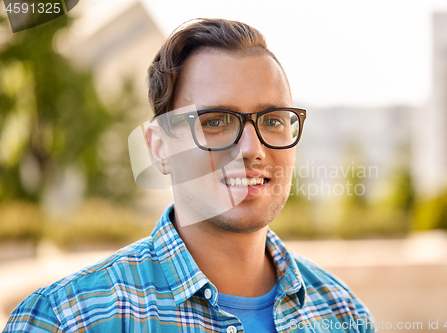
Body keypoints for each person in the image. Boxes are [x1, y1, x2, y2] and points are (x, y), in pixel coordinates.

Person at [4, 19, 376, 332]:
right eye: (215, 122)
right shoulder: (65, 320)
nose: (251, 148)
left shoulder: (345, 315)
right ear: (160, 148)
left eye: (273, 120)